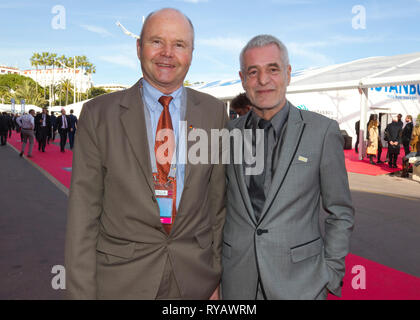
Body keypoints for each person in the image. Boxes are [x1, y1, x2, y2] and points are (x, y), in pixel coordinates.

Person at [65, 8, 227, 300]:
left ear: (191, 53)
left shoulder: (215, 113)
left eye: (179, 44)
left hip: (195, 281)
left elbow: (217, 206)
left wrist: (215, 277)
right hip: (122, 281)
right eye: (156, 41)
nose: (167, 53)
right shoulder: (99, 114)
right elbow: (83, 216)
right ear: (138, 47)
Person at [221, 35, 354, 300]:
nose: (263, 80)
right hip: (236, 280)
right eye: (253, 72)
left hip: (301, 284)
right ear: (242, 78)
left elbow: (340, 211)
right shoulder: (227, 133)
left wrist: (331, 272)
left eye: (273, 69)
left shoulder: (322, 132)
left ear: (288, 73)